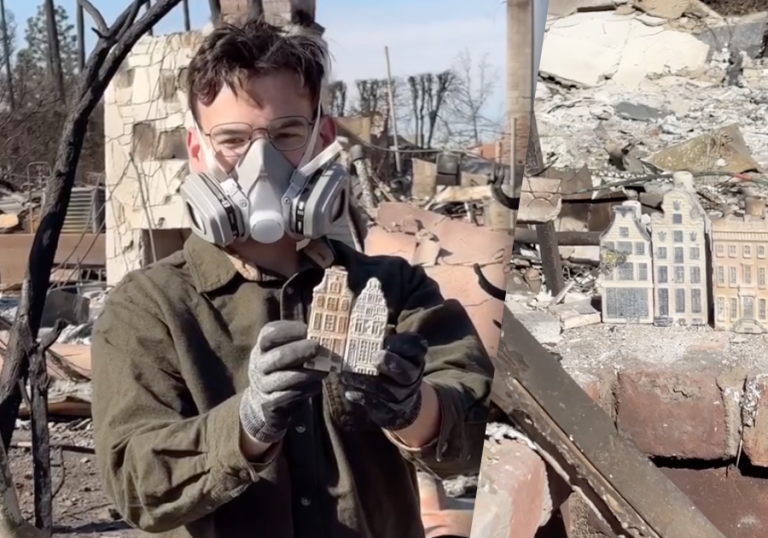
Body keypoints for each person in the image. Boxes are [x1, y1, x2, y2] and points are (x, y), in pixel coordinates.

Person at [90, 17, 493, 538]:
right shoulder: (149, 308)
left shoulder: (394, 289)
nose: (261, 162)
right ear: (197, 150)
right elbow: (134, 486)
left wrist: (414, 409)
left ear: (322, 136)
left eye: (286, 134)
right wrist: (245, 427)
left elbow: (480, 433)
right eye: (232, 139)